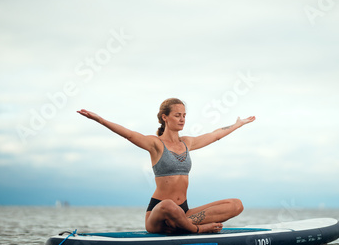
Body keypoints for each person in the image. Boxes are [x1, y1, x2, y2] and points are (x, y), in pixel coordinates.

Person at [77, 98, 256, 234]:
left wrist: (237, 125)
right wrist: (100, 120)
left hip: (183, 212)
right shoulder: (155, 144)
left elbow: (215, 135)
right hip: (160, 213)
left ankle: (182, 224)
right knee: (169, 205)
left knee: (235, 204)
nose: (182, 119)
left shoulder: (187, 143)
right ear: (165, 117)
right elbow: (129, 135)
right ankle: (196, 229)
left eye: (184, 115)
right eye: (178, 115)